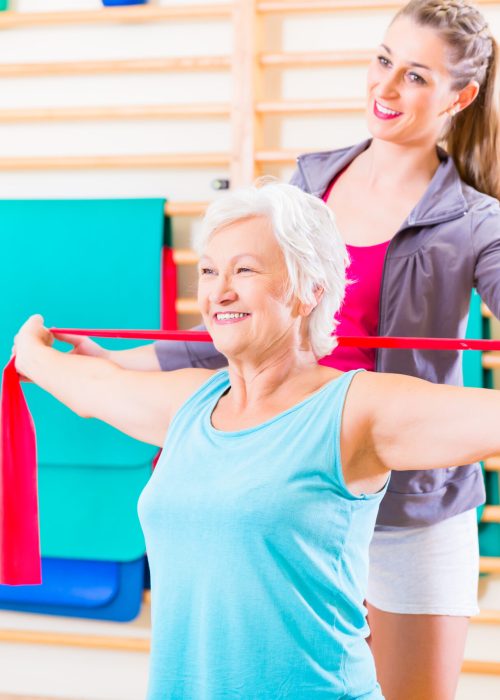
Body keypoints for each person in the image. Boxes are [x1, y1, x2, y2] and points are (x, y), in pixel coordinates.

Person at [55, 2, 500, 698]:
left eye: (415, 75)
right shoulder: (307, 186)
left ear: (461, 96)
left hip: (414, 507)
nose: (385, 89)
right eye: (382, 61)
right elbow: (236, 326)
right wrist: (121, 363)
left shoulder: (475, 220)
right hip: (289, 488)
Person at [14, 182, 500, 699]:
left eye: (244, 270)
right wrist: (32, 349)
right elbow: (92, 389)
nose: (219, 290)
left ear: (308, 289)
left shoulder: (358, 410)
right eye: (208, 271)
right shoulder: (190, 404)